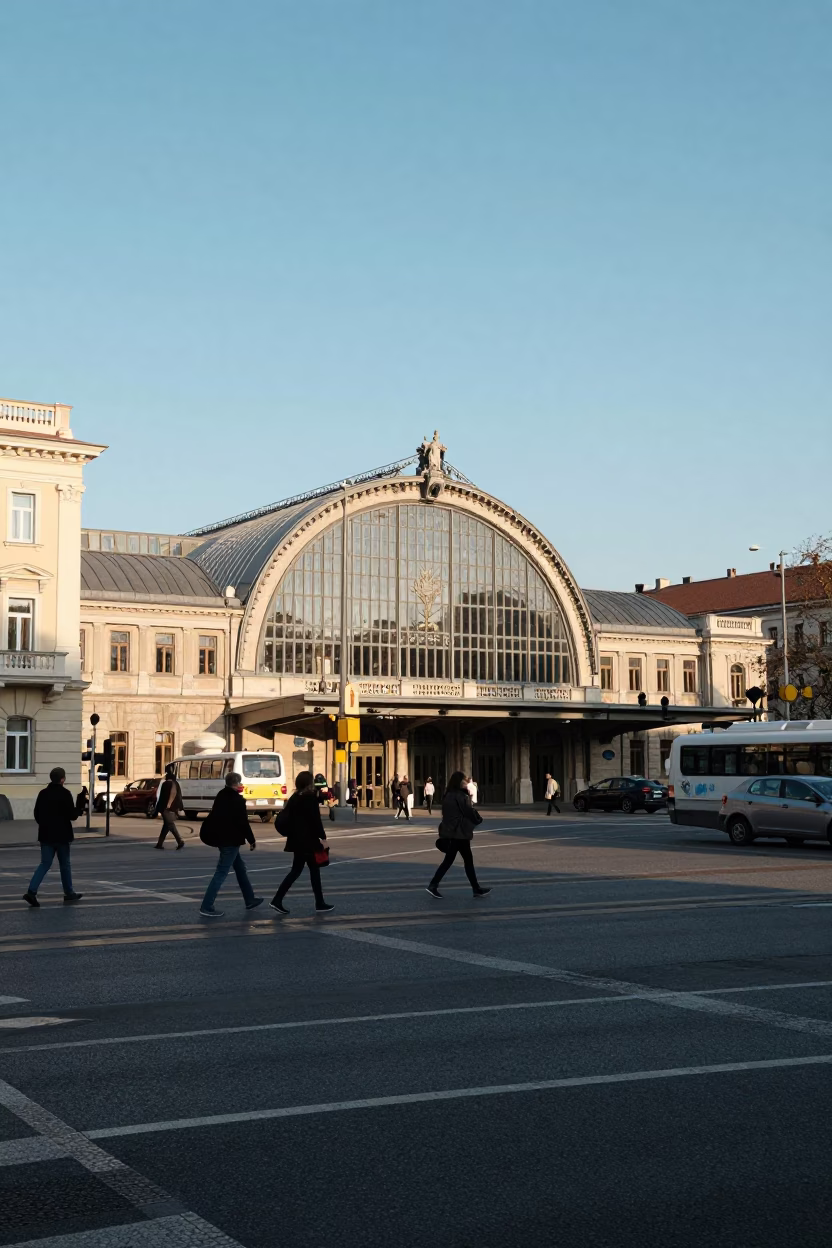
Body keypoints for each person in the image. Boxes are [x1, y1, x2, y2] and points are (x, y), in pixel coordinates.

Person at [199, 773, 263, 918]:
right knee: (221, 872)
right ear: (237, 784)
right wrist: (251, 840)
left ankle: (250, 899)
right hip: (231, 841)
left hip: (221, 838)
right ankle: (206, 906)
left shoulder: (221, 795)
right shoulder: (237, 800)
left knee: (240, 869)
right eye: (240, 783)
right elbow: (243, 822)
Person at [270, 771, 333, 914]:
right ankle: (278, 900)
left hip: (296, 839)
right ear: (309, 783)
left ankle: (319, 902)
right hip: (308, 841)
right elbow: (315, 820)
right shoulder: (309, 798)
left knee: (307, 870)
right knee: (302, 871)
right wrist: (323, 838)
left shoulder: (295, 797)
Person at [23, 767, 85, 906]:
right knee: (65, 865)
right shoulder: (65, 794)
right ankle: (69, 893)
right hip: (62, 835)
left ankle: (31, 892)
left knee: (44, 864)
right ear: (62, 779)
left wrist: (45, 825)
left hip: (46, 835)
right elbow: (72, 815)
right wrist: (80, 808)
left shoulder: (43, 793)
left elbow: (37, 814)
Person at [426, 771, 490, 899]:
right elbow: (468, 812)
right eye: (464, 781)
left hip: (450, 831)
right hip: (459, 833)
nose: (466, 783)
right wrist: (478, 819)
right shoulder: (461, 796)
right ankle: (433, 885)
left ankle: (475, 888)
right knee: (465, 861)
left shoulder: (447, 795)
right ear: (459, 782)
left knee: (452, 860)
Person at [154, 763, 185, 849]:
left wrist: (166, 805)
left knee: (170, 824)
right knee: (166, 825)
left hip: (166, 807)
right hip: (172, 807)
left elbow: (170, 794)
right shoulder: (176, 783)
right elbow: (179, 796)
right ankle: (159, 844)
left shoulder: (167, 784)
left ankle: (180, 841)